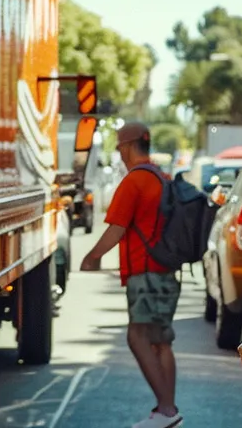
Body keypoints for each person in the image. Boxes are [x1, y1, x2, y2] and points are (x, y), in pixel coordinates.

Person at [80, 122, 184, 428]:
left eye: (118, 146)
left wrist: (91, 256)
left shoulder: (134, 181)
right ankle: (166, 410)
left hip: (145, 273)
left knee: (137, 336)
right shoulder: (161, 178)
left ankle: (167, 410)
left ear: (126, 146)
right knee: (161, 342)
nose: (118, 152)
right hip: (164, 272)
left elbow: (116, 228)